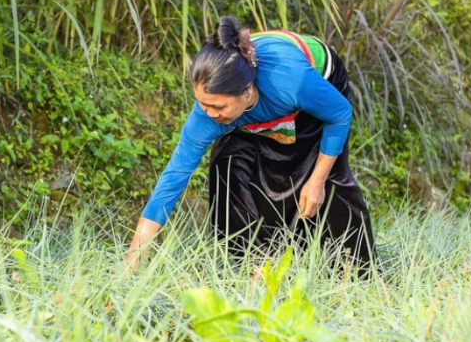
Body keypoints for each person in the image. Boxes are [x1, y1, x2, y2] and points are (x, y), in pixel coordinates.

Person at [125, 15, 374, 272]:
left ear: (246, 91)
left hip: (321, 85)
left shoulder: (291, 81)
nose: (208, 113)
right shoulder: (208, 115)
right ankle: (254, 263)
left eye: (217, 106)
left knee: (313, 174)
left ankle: (349, 269)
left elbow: (340, 114)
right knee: (228, 164)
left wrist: (317, 181)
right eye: (202, 103)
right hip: (260, 101)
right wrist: (134, 256)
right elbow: (175, 175)